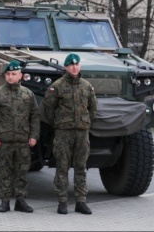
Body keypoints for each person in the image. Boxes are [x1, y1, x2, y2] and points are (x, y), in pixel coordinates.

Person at [42, 53, 97, 215]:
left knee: (81, 168)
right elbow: (48, 109)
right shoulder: (57, 86)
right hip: (63, 133)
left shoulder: (87, 86)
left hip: (82, 133)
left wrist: (85, 123)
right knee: (62, 168)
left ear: (79, 66)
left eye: (77, 64)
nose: (74, 67)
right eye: (71, 64)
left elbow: (93, 109)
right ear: (66, 67)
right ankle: (62, 201)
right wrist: (59, 123)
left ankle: (81, 201)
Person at [0, 60, 40, 213]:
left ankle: (21, 201)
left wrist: (34, 136)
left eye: (13, 74)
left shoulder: (28, 94)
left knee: (22, 173)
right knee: (4, 172)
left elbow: (35, 116)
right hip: (4, 141)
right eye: (8, 74)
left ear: (20, 75)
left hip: (23, 142)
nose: (10, 77)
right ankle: (4, 201)